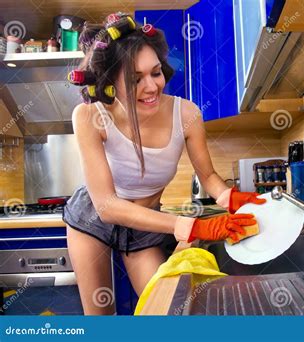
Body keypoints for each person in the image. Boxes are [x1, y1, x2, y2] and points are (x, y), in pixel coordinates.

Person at [62, 13, 266, 315]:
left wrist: (229, 197)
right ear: (110, 84)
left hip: (146, 224)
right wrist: (192, 226)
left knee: (165, 311)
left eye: (155, 73)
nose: (152, 86)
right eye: (135, 79)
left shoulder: (187, 115)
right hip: (93, 221)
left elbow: (207, 175)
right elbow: (106, 205)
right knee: (100, 319)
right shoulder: (89, 116)